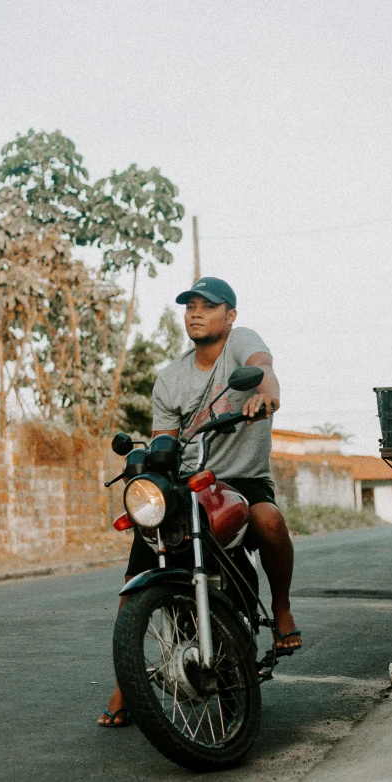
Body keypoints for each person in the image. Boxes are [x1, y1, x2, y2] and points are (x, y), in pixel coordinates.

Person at [98, 276, 301, 727]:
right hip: (191, 482)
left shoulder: (241, 344)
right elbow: (164, 442)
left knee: (268, 519)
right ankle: (126, 681)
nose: (195, 312)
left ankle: (282, 609)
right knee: (136, 572)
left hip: (242, 478)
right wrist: (148, 463)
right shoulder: (170, 378)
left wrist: (267, 392)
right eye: (189, 305)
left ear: (229, 315)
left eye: (207, 306)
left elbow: (263, 366)